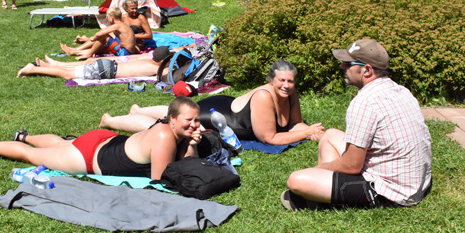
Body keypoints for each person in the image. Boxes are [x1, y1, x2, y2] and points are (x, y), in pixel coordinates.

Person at [281, 39, 432, 211]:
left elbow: (352, 165)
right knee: (329, 135)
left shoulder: (364, 102)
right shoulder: (401, 90)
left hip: (390, 192)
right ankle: (323, 193)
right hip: (414, 183)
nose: (342, 67)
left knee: (296, 180)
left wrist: (318, 169)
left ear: (367, 70)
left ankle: (323, 197)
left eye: (347, 64)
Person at [0, 96, 202, 181]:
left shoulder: (167, 129)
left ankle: (25, 135)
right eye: (188, 120)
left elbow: (182, 164)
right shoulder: (164, 136)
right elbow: (161, 180)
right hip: (88, 156)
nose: (194, 124)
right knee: (29, 154)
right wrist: (191, 147)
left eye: (197, 120)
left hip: (104, 140)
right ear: (172, 118)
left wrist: (191, 142)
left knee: (59, 143)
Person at [101, 60, 325, 146]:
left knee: (180, 111)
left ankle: (139, 109)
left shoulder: (291, 93)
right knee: (170, 124)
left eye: (290, 81)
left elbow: (295, 123)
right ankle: (110, 120)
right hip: (219, 115)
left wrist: (313, 131)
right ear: (271, 80)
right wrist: (305, 133)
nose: (286, 85)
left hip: (230, 106)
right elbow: (269, 138)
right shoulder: (264, 96)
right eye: (281, 81)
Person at [17, 45, 173, 80]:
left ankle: (44, 67)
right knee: (67, 74)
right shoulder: (157, 68)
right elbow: (172, 74)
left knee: (69, 71)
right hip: (106, 70)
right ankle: (32, 69)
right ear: (162, 61)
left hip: (107, 65)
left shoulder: (148, 60)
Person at [59, 7, 138, 59]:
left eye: (107, 17)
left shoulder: (117, 25)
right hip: (127, 51)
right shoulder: (122, 24)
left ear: (112, 18)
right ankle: (74, 51)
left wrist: (93, 38)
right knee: (103, 43)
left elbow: (99, 34)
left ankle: (87, 54)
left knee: (104, 36)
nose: (107, 18)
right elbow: (110, 32)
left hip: (124, 53)